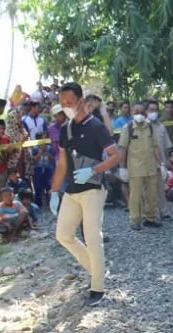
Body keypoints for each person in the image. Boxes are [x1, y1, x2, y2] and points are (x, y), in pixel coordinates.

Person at [50, 82, 122, 307]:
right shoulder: (65, 129)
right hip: (72, 190)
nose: (66, 107)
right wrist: (54, 192)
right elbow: (62, 164)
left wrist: (94, 169)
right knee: (63, 235)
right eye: (62, 103)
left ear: (81, 101)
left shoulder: (96, 127)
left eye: (69, 103)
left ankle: (97, 286)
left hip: (92, 188)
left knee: (92, 236)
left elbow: (115, 155)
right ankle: (96, 269)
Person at [118, 102, 162, 230]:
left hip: (150, 166)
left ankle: (150, 218)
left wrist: (161, 164)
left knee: (152, 195)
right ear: (132, 112)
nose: (139, 115)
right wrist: (122, 168)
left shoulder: (150, 127)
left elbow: (155, 147)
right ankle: (135, 220)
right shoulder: (128, 128)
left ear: (146, 113)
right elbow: (123, 148)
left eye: (142, 112)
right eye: (136, 112)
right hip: (135, 167)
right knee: (135, 196)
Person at [146, 100, 173, 220]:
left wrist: (166, 163)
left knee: (161, 188)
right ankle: (151, 213)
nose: (154, 112)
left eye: (156, 110)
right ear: (146, 111)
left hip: (160, 162)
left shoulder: (161, 127)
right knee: (147, 189)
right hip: (146, 163)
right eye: (151, 110)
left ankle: (164, 211)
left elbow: (166, 146)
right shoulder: (142, 126)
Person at [30, 132, 55, 207]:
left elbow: (52, 159)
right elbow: (34, 159)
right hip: (38, 168)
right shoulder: (35, 148)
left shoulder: (50, 147)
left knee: (49, 186)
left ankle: (50, 203)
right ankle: (38, 203)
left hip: (48, 168)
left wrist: (46, 152)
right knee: (38, 186)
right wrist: (41, 152)